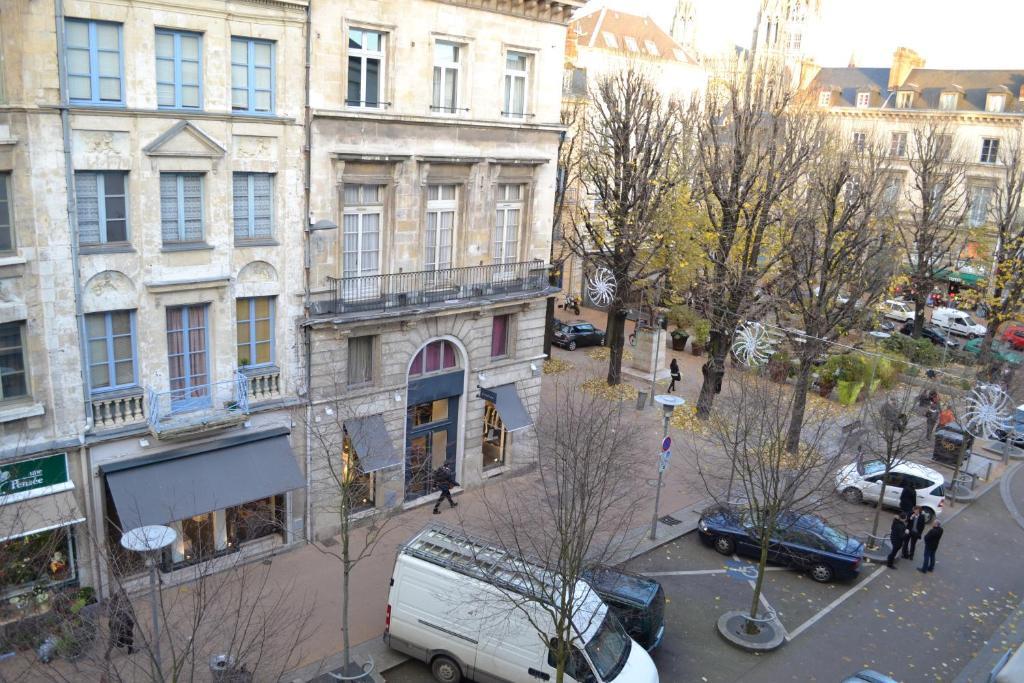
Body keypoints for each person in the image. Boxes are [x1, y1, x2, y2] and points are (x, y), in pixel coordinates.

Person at [105, 589, 136, 658]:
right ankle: (108, 653)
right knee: (114, 637)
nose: (125, 597)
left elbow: (131, 609)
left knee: (128, 633)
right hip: (116, 621)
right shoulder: (112, 602)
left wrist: (132, 617)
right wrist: (116, 615)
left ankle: (130, 649)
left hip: (125, 619)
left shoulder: (126, 600)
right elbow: (107, 614)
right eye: (123, 595)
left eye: (125, 595)